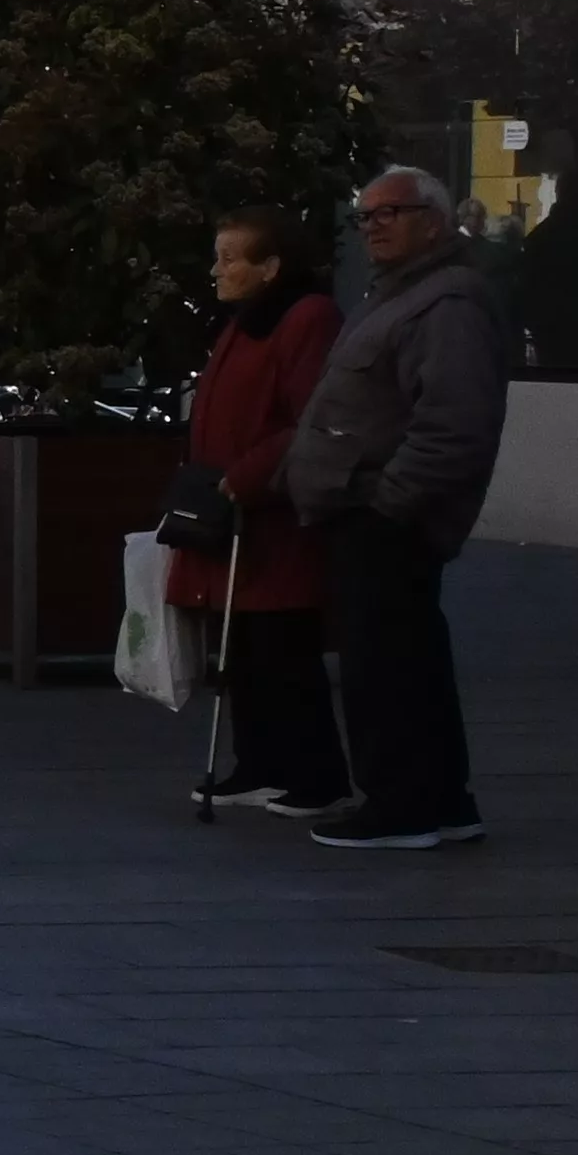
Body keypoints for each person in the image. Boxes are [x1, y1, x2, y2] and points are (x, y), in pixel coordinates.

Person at [290, 164, 509, 851]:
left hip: (387, 515)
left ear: (435, 221)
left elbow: (454, 423)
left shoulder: (447, 304)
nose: (374, 225)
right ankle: (442, 801)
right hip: (364, 509)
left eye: (391, 212)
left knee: (385, 667)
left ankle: (400, 807)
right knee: (404, 659)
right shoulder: (395, 297)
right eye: (366, 216)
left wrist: (391, 504)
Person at [178, 204, 349, 818]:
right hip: (233, 508)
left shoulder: (307, 318)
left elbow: (310, 415)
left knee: (284, 648)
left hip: (272, 511)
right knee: (244, 647)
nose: (217, 270)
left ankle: (316, 774)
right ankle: (260, 764)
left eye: (230, 258)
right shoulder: (248, 319)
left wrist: (248, 475)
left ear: (271, 266)